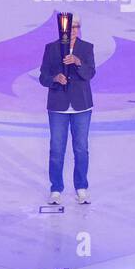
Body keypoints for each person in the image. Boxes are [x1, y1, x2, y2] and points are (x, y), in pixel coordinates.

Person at [37, 13, 96, 204]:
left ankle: (81, 187)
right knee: (56, 149)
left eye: (77, 27)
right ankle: (56, 188)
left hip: (81, 106)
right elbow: (43, 77)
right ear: (63, 29)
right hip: (58, 107)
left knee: (81, 148)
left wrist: (78, 62)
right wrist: (55, 79)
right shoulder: (51, 48)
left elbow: (90, 73)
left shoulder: (86, 48)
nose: (74, 31)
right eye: (71, 27)